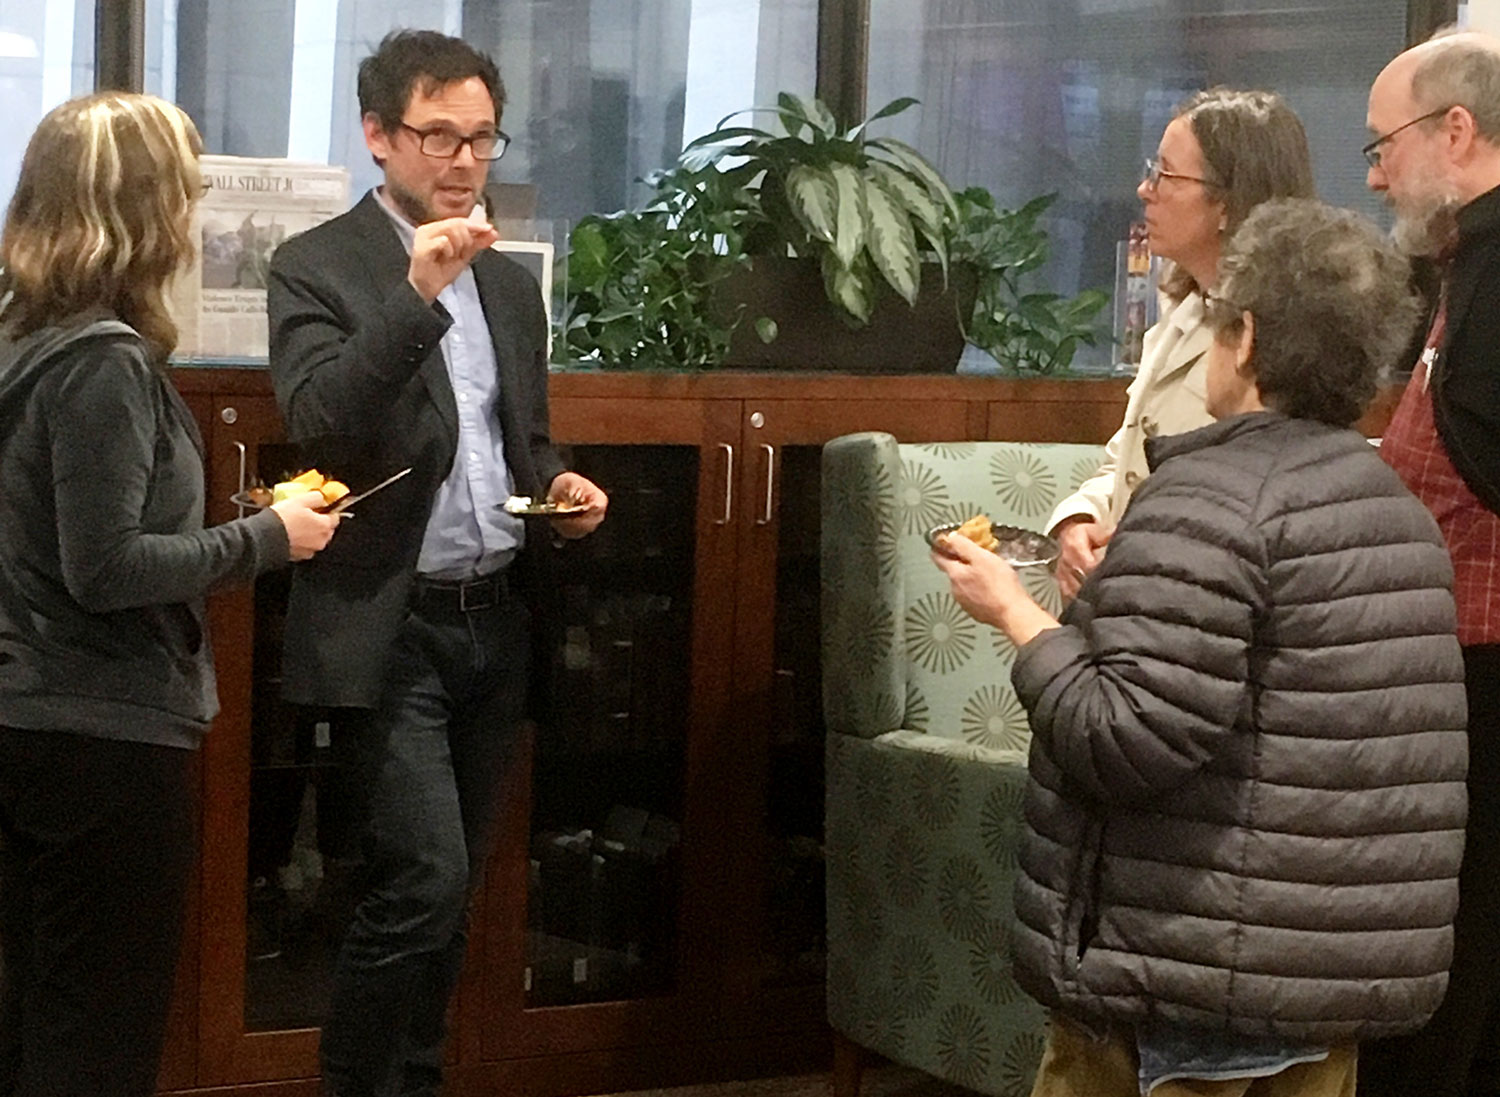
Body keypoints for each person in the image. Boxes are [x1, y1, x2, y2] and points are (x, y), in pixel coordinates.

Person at [933, 199, 1468, 1097]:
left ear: (1246, 337)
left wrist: (1015, 615)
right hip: (1326, 992)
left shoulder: (1209, 496)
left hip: (1176, 986)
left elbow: (1119, 735)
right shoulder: (1394, 509)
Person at [265, 29, 607, 1097]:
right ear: (378, 135)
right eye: (437, 137)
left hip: (497, 617)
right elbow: (320, 421)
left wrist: (561, 487)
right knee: (423, 873)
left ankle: (414, 1078)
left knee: (453, 894)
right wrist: (413, 295)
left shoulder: (509, 285)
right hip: (392, 621)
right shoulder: (315, 264)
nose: (463, 162)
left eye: (482, 139)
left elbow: (525, 438)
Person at [0, 92, 339, 1097]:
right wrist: (268, 535)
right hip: (101, 738)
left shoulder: (21, 338)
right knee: (97, 1036)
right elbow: (102, 568)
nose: (195, 215)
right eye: (185, 191)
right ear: (144, 210)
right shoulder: (102, 364)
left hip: (23, 723)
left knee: (26, 1019)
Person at [1355, 31, 1500, 1097]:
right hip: (1447, 657)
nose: (1373, 173)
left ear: (1457, 130)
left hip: (1488, 666)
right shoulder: (1464, 260)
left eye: (1383, 145)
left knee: (1457, 951)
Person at [1049, 88, 1314, 599]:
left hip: (1202, 606)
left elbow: (1253, 511)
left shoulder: (1283, 340)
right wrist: (1079, 520)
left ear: (1228, 204)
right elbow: (1126, 462)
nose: (1145, 189)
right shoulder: (1185, 308)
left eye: (1166, 175)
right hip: (1136, 594)